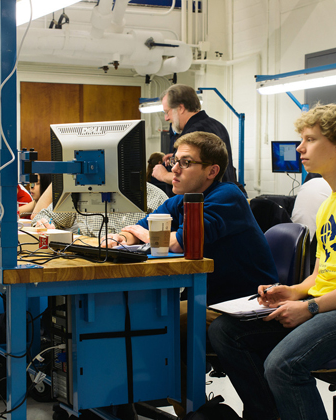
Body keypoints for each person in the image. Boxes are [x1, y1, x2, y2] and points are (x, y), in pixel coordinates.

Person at [208, 104, 336, 420]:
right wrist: (293, 292)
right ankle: (267, 414)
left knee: (284, 366)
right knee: (224, 332)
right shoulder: (330, 203)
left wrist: (311, 307)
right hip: (328, 304)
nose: (300, 148)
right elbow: (322, 272)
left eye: (310, 139)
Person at [104, 131, 278, 417]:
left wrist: (149, 235)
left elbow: (179, 241)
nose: (174, 169)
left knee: (156, 322)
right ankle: (191, 409)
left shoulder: (228, 196)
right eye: (175, 161)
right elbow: (143, 226)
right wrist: (123, 238)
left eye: (186, 162)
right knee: (145, 318)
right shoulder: (183, 199)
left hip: (244, 305)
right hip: (210, 300)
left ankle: (205, 410)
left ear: (212, 170)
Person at [151, 85, 238, 190]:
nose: (166, 118)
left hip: (204, 201)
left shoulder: (194, 134)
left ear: (181, 108)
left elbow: (191, 178)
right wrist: (179, 157)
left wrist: (163, 175)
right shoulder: (217, 125)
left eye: (167, 112)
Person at [32, 182, 169, 237]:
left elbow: (169, 247)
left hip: (137, 276)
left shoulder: (154, 198)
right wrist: (44, 224)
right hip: (88, 272)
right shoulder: (81, 192)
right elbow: (43, 215)